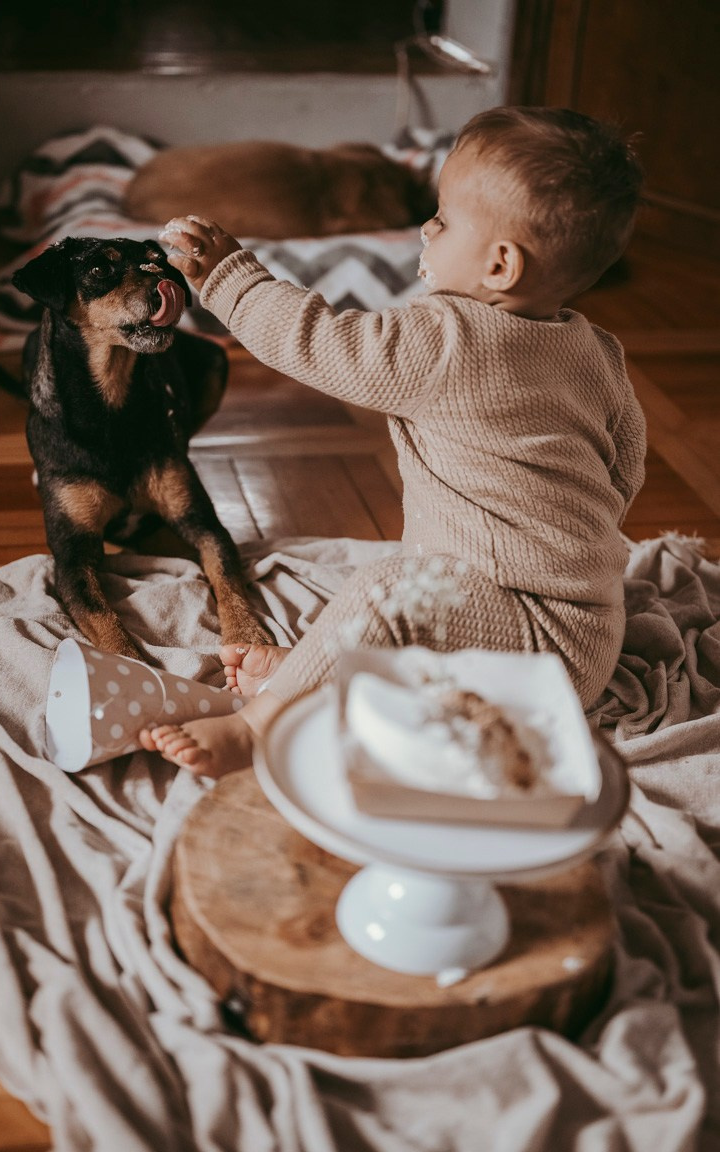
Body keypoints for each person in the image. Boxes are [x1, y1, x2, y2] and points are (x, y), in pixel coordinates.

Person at [139, 105, 646, 778]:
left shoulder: (445, 340)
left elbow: (319, 341)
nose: (425, 228)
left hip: (532, 648)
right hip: (588, 631)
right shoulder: (596, 349)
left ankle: (261, 726)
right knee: (412, 592)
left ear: (499, 265)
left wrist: (232, 278)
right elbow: (626, 469)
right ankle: (317, 671)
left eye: (442, 218)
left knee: (391, 589)